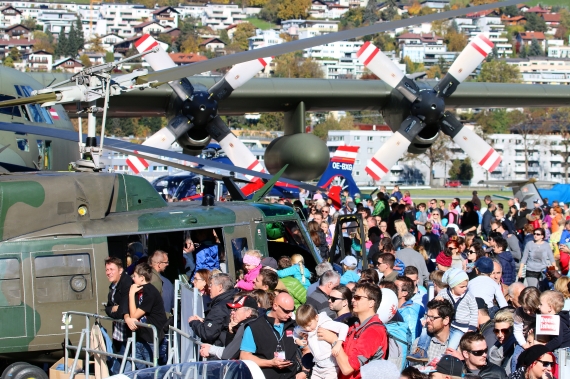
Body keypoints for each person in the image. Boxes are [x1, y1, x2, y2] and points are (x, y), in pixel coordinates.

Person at [317, 283, 389, 379]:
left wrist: (334, 341)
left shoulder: (373, 331)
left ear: (371, 303)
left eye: (357, 297)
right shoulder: (354, 325)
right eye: (353, 296)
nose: (353, 300)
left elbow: (347, 368)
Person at [240, 293, 307, 379]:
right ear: (275, 306)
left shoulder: (294, 326)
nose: (290, 314)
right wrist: (271, 363)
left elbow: (307, 349)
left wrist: (305, 372)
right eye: (286, 311)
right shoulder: (254, 327)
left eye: (292, 310)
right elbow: (244, 356)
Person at [126, 263, 167, 369]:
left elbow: (134, 315)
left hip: (152, 339)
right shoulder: (139, 290)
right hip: (140, 337)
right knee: (139, 370)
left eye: (134, 276)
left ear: (142, 278)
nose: (133, 278)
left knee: (151, 371)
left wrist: (131, 295)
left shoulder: (150, 292)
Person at [294, 304, 349, 379]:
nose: (307, 329)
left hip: (330, 366)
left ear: (316, 317)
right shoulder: (305, 327)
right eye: (304, 327)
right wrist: (298, 340)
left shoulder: (325, 324)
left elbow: (344, 327)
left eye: (309, 325)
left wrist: (338, 343)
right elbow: (295, 332)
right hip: (317, 366)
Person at [199, 295, 259, 360]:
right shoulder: (255, 323)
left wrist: (210, 349)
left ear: (248, 313)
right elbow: (231, 350)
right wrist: (231, 332)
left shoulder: (246, 326)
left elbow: (227, 355)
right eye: (232, 309)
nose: (232, 312)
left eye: (236, 309)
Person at [188, 273, 237, 345]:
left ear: (220, 287)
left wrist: (193, 322)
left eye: (211, 285)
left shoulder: (220, 307)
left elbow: (207, 333)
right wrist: (204, 321)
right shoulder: (231, 299)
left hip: (218, 349)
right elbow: (219, 324)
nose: (209, 287)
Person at [437, 268, 478, 350]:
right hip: (448, 325)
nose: (465, 288)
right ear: (453, 286)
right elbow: (434, 306)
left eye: (466, 286)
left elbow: (474, 312)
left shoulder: (468, 296)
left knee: (451, 347)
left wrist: (472, 328)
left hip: (462, 328)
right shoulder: (444, 293)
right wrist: (437, 300)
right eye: (462, 287)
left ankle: (447, 359)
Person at [104, 257, 133, 368]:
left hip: (128, 334)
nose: (108, 273)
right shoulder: (113, 285)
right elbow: (107, 308)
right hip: (119, 333)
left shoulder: (126, 283)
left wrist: (115, 310)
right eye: (107, 270)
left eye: (112, 269)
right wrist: (112, 309)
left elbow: (121, 311)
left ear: (120, 270)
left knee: (119, 369)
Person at [407, 299, 454, 364]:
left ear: (446, 320)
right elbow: (414, 371)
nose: (427, 320)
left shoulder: (457, 345)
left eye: (432, 317)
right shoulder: (419, 344)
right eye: (427, 316)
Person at [396, 275, 423, 342]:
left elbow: (411, 339)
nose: (392, 289)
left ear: (404, 293)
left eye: (396, 288)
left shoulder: (409, 313)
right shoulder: (396, 307)